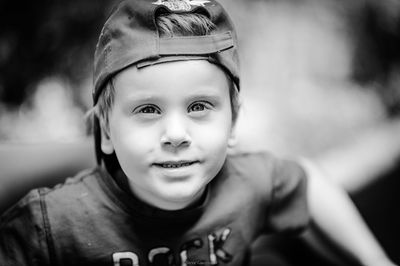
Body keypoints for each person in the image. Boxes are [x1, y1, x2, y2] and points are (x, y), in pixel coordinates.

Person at [0, 0, 396, 265]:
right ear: (105, 131)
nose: (175, 133)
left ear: (233, 123)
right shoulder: (52, 224)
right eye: (148, 109)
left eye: (199, 107)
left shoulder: (245, 183)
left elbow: (306, 184)